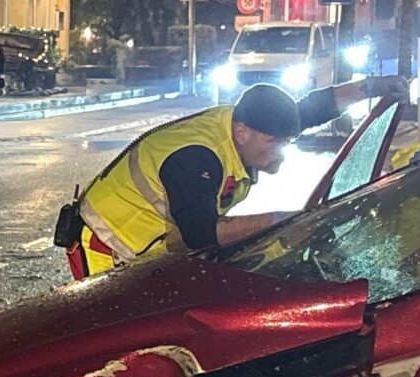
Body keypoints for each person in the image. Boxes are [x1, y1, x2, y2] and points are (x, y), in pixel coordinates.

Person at [66, 83, 304, 278]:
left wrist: (341, 93)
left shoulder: (240, 123)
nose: (282, 151)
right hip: (107, 244)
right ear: (242, 133)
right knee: (117, 331)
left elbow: (310, 111)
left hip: (151, 253)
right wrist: (278, 220)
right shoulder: (197, 157)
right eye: (276, 143)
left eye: (288, 141)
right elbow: (201, 233)